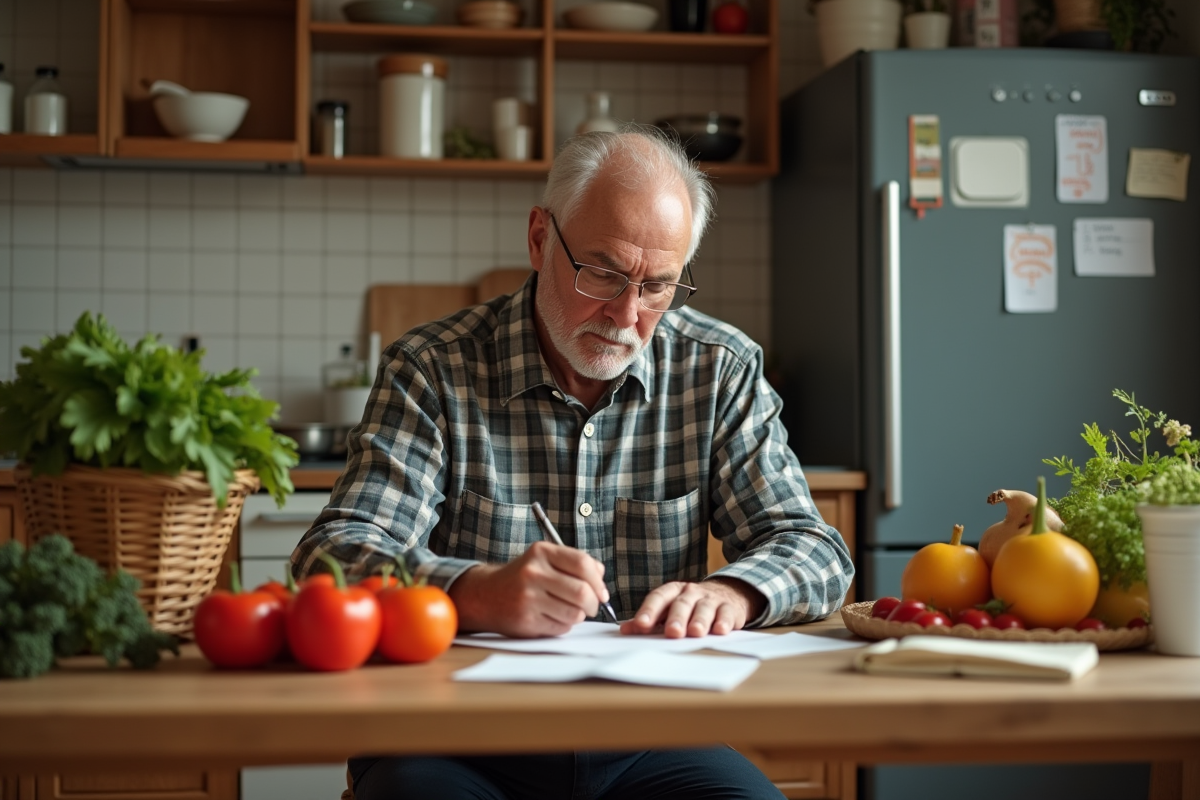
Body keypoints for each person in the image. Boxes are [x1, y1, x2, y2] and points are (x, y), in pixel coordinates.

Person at [293, 124, 855, 800]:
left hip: (653, 738)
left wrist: (732, 592)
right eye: (604, 273)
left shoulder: (718, 370)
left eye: (658, 287)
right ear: (538, 239)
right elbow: (331, 557)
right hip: (451, 734)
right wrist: (473, 593)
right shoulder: (432, 368)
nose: (625, 314)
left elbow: (815, 549)